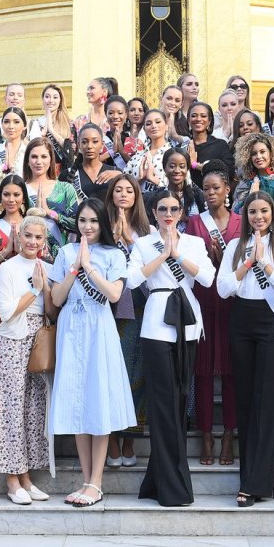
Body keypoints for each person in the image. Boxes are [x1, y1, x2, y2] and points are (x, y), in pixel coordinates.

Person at [128, 191, 216, 506]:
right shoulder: (142, 244)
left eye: (173, 209)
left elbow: (208, 278)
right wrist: (162, 255)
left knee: (179, 401)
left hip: (189, 322)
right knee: (162, 403)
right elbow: (131, 280)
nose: (168, 213)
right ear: (153, 212)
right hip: (156, 323)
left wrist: (177, 255)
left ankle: (158, 478)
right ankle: (172, 485)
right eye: (162, 209)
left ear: (181, 212)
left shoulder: (193, 242)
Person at [48, 198, 135, 507]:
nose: (87, 226)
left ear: (103, 223)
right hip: (71, 325)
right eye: (83, 220)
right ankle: (86, 480)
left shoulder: (114, 254)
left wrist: (89, 268)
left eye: (94, 221)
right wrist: (75, 268)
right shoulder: (66, 252)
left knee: (97, 399)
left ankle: (96, 483)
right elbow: (56, 298)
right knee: (76, 401)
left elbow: (114, 294)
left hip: (99, 325)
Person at [216, 191, 274, 507]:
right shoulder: (236, 247)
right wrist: (248, 262)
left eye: (264, 211)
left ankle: (255, 483)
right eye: (252, 212)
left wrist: (265, 263)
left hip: (270, 321)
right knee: (246, 401)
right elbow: (224, 289)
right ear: (245, 215)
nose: (258, 217)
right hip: (241, 320)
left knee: (267, 401)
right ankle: (258, 477)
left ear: (273, 214)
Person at [0, 213, 53, 504]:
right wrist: (35, 290)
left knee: (32, 409)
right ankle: (11, 479)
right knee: (11, 406)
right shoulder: (7, 268)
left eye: (38, 237)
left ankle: (26, 476)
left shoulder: (46, 266)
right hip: (14, 336)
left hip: (38, 338)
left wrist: (48, 290)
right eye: (28, 236)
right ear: (20, 237)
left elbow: (51, 308)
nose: (32, 241)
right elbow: (5, 311)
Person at [186, 162, 241, 466]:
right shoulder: (195, 223)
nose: (210, 193)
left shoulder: (241, 221)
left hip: (232, 302)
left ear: (227, 189)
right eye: (205, 189)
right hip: (204, 301)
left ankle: (229, 434)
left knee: (231, 372)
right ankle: (206, 434)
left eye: (215, 188)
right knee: (203, 371)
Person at [0, 175, 34, 441]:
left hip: (30, 308)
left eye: (16, 194)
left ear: (23, 197)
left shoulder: (34, 227)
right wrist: (6, 251)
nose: (11, 199)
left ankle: (25, 435)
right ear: (0, 198)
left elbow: (47, 263)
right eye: (6, 194)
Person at [105, 174, 153, 467]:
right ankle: (110, 438)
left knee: (136, 371)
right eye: (118, 190)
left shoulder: (146, 231)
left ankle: (130, 438)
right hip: (106, 308)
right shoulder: (99, 225)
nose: (123, 195)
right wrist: (114, 237)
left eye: (129, 191)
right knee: (110, 372)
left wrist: (128, 240)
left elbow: (149, 269)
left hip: (138, 307)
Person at [23, 137, 78, 259]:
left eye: (44, 156)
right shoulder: (19, 190)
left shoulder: (65, 189)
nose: (39, 161)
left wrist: (49, 212)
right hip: (28, 257)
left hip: (62, 257)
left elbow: (78, 224)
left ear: (51, 159)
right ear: (27, 160)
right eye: (34, 157)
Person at [28, 84, 77, 180]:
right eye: (47, 97)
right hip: (43, 172)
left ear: (60, 100)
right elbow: (34, 149)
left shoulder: (69, 123)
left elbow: (72, 150)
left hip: (65, 173)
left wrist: (51, 130)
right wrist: (45, 129)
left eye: (55, 97)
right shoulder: (36, 123)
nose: (51, 101)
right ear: (43, 100)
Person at [232, 133, 274, 212]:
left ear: (271, 153)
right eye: (254, 154)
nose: (258, 157)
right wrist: (251, 197)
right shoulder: (245, 184)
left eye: (262, 152)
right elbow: (236, 213)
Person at [157, 147, 205, 233]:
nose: (177, 171)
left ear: (187, 169)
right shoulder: (157, 196)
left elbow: (204, 225)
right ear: (164, 168)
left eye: (182, 166)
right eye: (172, 166)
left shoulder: (197, 195)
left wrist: (185, 218)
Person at [125, 109, 173, 192]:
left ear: (166, 126)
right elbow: (123, 186)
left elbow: (181, 188)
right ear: (145, 129)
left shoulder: (174, 155)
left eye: (158, 122)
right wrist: (138, 179)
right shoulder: (137, 157)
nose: (153, 126)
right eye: (148, 124)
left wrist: (154, 180)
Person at [74, 123, 123, 203]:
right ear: (79, 145)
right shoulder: (69, 174)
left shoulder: (115, 172)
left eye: (95, 141)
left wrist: (120, 175)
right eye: (84, 142)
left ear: (102, 145)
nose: (89, 146)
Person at [188, 101, 233, 183]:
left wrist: (195, 165)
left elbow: (228, 172)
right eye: (194, 116)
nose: (198, 119)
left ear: (209, 121)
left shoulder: (220, 145)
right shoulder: (183, 147)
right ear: (188, 120)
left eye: (203, 116)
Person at [104, 95, 133, 167]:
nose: (115, 116)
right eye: (111, 113)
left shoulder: (134, 141)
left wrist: (122, 152)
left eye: (120, 113)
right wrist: (112, 152)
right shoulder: (100, 140)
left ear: (126, 114)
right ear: (106, 114)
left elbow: (136, 167)